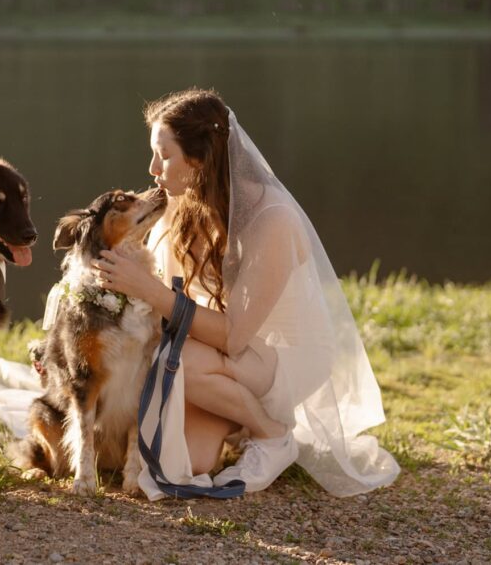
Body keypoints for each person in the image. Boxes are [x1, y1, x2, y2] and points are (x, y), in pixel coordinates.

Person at [94, 88, 399, 496]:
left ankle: (271, 433)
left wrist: (147, 288)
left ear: (199, 160)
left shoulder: (272, 220)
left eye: (164, 156)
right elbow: (153, 295)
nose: (153, 168)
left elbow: (235, 338)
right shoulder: (179, 204)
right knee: (189, 464)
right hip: (210, 351)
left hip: (282, 357)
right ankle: (236, 418)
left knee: (175, 357)